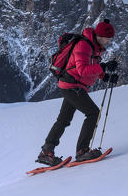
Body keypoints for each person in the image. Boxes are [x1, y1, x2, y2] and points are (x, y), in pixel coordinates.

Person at [37, 19, 119, 166]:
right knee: (93, 113)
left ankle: (46, 152)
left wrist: (105, 76)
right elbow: (82, 70)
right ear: (99, 35)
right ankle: (82, 151)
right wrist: (104, 67)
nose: (108, 42)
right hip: (72, 86)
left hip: (71, 85)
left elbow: (91, 65)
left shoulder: (94, 47)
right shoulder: (84, 45)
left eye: (110, 39)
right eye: (107, 39)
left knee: (63, 120)